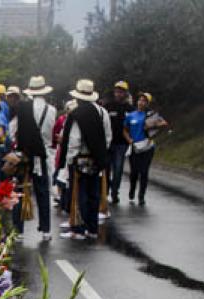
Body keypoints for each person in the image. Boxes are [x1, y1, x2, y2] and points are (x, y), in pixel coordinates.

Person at [60, 79, 112, 240]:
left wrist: (70, 159)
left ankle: (79, 228)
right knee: (94, 193)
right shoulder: (102, 112)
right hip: (97, 158)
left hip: (80, 158)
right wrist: (101, 153)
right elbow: (107, 136)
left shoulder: (77, 114)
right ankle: (93, 227)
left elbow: (74, 140)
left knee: (78, 193)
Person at [11, 76, 56, 241]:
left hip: (25, 155)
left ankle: (19, 230)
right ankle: (46, 230)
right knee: (43, 192)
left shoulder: (23, 108)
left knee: (20, 191)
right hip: (42, 154)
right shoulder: (51, 110)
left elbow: (13, 131)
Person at [124, 91, 168, 206]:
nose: (141, 102)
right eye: (140, 100)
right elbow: (124, 130)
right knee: (134, 172)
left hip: (148, 147)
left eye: (144, 101)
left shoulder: (151, 115)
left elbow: (164, 123)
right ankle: (132, 189)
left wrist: (153, 125)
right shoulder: (131, 115)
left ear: (147, 103)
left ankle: (141, 196)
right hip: (134, 146)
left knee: (144, 171)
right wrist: (129, 140)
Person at [103, 80, 133, 203]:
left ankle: (115, 192)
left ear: (125, 93)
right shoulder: (108, 106)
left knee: (118, 169)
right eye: (117, 91)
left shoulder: (130, 109)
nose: (118, 93)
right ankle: (105, 191)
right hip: (108, 143)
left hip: (121, 144)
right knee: (106, 169)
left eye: (121, 91)